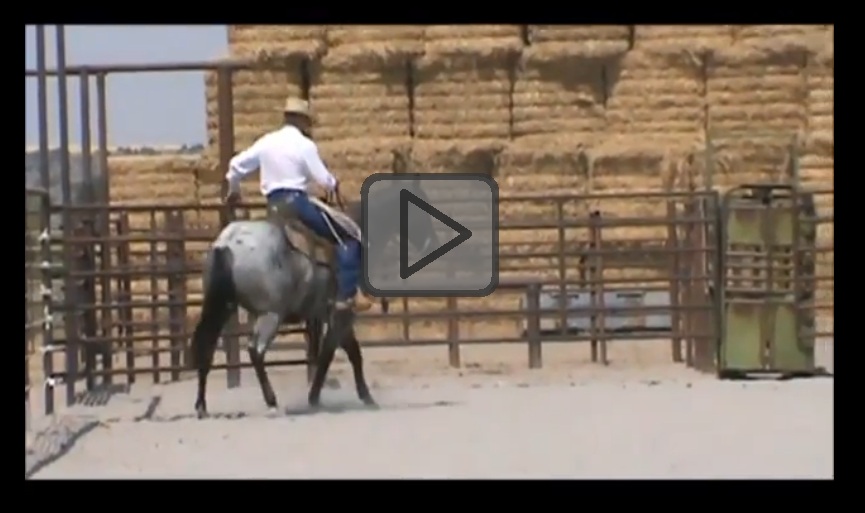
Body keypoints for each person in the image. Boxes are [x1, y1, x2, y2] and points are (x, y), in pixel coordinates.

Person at [223, 97, 372, 312]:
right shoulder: (305, 145)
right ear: (303, 121)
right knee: (349, 236)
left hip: (273, 205)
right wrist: (333, 182)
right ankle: (347, 295)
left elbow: (235, 165)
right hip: (297, 204)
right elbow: (323, 179)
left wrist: (234, 190)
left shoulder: (266, 141)